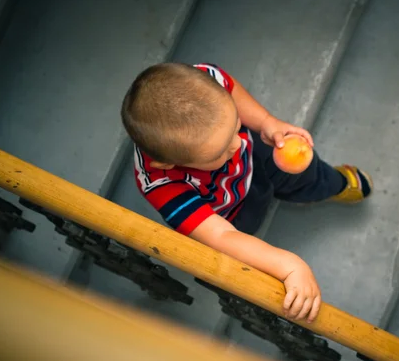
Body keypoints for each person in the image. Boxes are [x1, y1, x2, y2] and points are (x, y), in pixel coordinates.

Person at [121, 62, 372, 323]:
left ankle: (330, 184)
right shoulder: (161, 184)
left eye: (235, 125)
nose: (238, 142)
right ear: (169, 164)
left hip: (259, 154)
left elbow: (231, 90)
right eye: (219, 152)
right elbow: (223, 236)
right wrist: (289, 265)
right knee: (248, 230)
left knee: (304, 174)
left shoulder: (203, 83)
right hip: (232, 211)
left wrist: (266, 122)